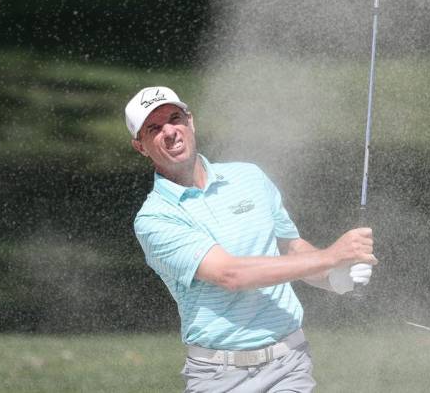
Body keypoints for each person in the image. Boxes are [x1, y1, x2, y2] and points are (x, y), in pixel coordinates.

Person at [125, 86, 378, 392]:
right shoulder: (154, 218)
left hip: (289, 364)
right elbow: (230, 274)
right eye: (154, 128)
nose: (170, 132)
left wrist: (334, 276)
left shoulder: (249, 177)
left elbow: (292, 248)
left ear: (190, 122)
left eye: (175, 119)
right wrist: (331, 256)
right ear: (140, 146)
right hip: (218, 376)